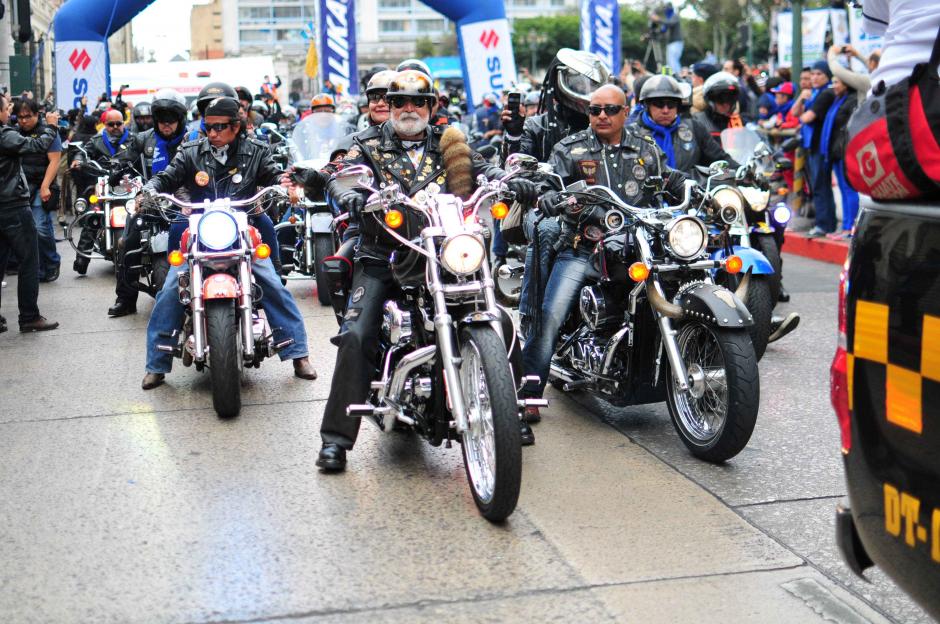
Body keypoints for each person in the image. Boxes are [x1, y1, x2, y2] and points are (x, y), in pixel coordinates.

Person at [315, 69, 539, 472]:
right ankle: (335, 440)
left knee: (501, 320)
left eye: (418, 101)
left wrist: (510, 182)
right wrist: (347, 194)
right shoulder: (366, 144)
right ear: (390, 104)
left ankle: (513, 410)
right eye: (400, 101)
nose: (408, 109)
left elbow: (483, 171)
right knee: (357, 334)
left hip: (446, 252)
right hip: (383, 255)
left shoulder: (450, 143)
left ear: (431, 106)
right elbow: (341, 176)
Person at [521, 84, 686, 407]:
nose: (602, 116)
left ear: (625, 112)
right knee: (550, 316)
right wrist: (548, 195)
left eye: (610, 109)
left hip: (638, 247)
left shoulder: (645, 146)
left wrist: (698, 186)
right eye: (595, 109)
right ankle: (528, 395)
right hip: (584, 247)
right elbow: (549, 181)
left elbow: (667, 178)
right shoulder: (571, 148)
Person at [140, 95, 317, 390]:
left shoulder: (257, 151)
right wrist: (148, 191)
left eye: (220, 127)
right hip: (200, 228)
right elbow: (166, 178)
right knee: (172, 286)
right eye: (208, 127)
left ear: (237, 126)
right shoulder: (190, 151)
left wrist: (289, 187)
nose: (212, 133)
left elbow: (276, 175)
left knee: (271, 282)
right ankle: (156, 364)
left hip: (241, 227)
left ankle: (297, 353)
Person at [501, 49, 610, 339]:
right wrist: (512, 135)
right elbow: (515, 170)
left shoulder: (602, 123)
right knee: (548, 229)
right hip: (544, 207)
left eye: (590, 86)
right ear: (558, 83)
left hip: (600, 209)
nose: (585, 94)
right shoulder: (536, 126)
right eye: (578, 83)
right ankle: (532, 318)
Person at [107, 89, 189, 318]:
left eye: (170, 121)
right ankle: (125, 298)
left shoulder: (191, 139)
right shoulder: (143, 139)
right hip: (150, 201)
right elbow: (124, 159)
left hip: (185, 202)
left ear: (180, 119)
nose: (166, 126)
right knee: (128, 241)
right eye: (161, 121)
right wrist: (116, 169)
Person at [0, 93, 61, 333]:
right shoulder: (5, 135)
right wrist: (51, 127)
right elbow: (35, 145)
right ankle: (29, 316)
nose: (11, 113)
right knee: (28, 260)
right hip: (12, 204)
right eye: (7, 109)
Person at [69, 108, 135, 275]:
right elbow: (82, 152)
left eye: (118, 124)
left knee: (141, 216)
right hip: (103, 183)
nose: (114, 127)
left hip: (128, 183)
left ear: (123, 123)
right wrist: (78, 160)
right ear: (104, 125)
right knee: (93, 216)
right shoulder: (96, 140)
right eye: (110, 124)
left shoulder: (134, 139)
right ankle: (81, 260)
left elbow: (143, 155)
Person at [630, 74, 737, 175]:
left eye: (671, 104)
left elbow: (721, 159)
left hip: (688, 192)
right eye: (659, 104)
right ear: (647, 105)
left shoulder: (694, 128)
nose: (666, 110)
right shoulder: (631, 134)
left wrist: (739, 172)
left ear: (678, 106)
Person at [15, 98, 63, 283]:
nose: (24, 121)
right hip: (20, 188)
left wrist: (45, 186)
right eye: (20, 117)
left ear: (37, 115)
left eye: (28, 117)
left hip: (42, 185)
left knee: (41, 226)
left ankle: (51, 263)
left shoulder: (48, 132)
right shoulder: (13, 132)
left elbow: (55, 161)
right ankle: (37, 267)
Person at [792, 61, 835, 237]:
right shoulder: (814, 93)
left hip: (821, 146)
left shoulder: (826, 93)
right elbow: (795, 113)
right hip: (811, 146)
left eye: (819, 74)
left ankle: (824, 224)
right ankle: (824, 223)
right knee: (817, 185)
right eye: (813, 74)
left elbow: (807, 118)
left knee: (820, 186)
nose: (814, 78)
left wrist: (802, 117)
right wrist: (802, 98)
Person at [694, 71, 744, 138]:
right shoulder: (698, 121)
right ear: (709, 99)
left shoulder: (739, 121)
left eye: (730, 99)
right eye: (720, 98)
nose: (725, 104)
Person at [651, 2, 683, 75]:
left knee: (673, 61)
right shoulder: (668, 19)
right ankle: (673, 76)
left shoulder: (674, 16)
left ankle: (679, 77)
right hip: (671, 43)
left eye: (666, 9)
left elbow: (669, 23)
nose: (665, 11)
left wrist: (658, 19)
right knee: (670, 62)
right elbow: (663, 30)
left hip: (676, 42)